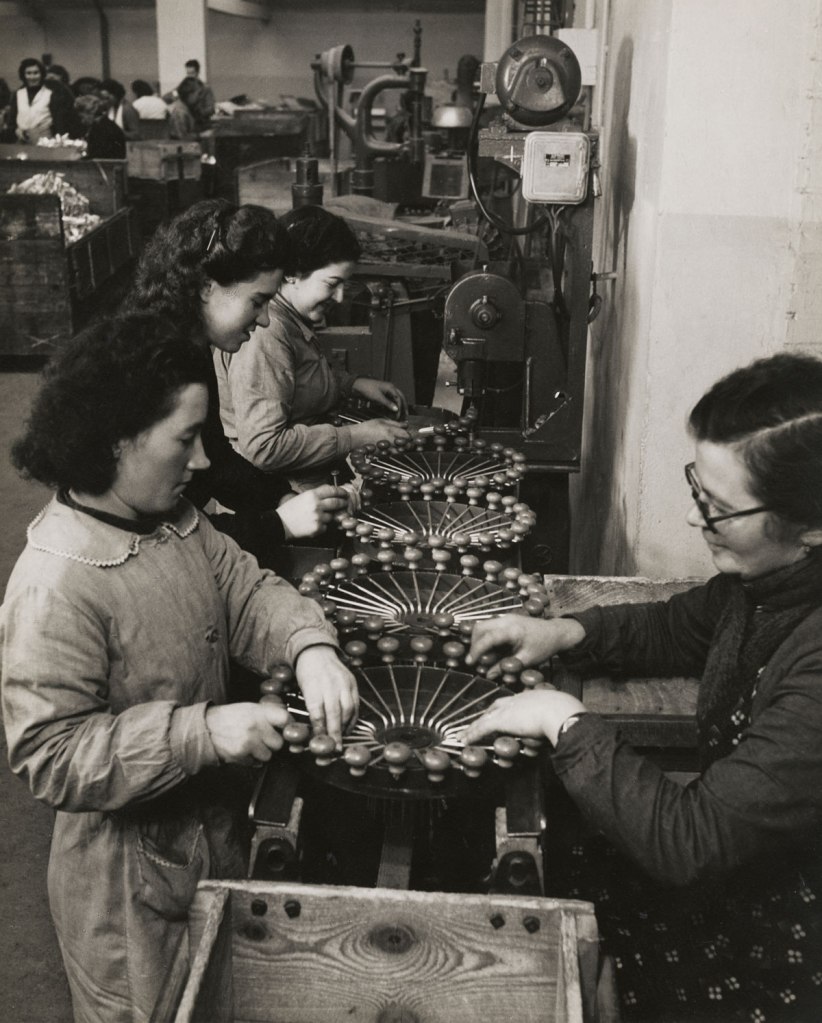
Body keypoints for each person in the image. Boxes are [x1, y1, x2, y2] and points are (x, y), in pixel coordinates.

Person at [0, 313, 358, 1023]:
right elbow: (50, 754)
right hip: (125, 892)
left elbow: (248, 589)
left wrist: (307, 645)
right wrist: (201, 731)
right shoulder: (59, 581)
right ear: (115, 441)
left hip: (205, 840)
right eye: (185, 438)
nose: (200, 461)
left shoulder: (174, 519)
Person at [463, 351, 822, 1021]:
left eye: (718, 509)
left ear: (812, 524)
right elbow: (685, 624)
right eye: (698, 492)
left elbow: (695, 841)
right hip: (746, 875)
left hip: (790, 944)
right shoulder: (771, 585)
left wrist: (565, 720)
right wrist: (566, 632)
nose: (695, 521)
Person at [124, 199, 350, 571]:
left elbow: (213, 458)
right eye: (257, 302)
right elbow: (157, 537)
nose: (263, 321)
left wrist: (279, 497)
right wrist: (277, 524)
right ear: (207, 287)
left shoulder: (191, 348)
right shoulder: (155, 374)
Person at [214, 204, 409, 492]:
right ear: (292, 273)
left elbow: (298, 378)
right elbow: (265, 448)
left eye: (344, 285)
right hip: (279, 496)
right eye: (332, 284)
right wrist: (354, 437)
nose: (340, 297)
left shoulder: (292, 318)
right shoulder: (268, 333)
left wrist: (353, 384)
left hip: (309, 479)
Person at [7, 58, 55, 142]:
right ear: (23, 75)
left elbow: (57, 121)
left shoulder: (50, 94)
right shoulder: (18, 94)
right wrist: (16, 130)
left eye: (36, 73)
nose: (32, 77)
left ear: (41, 74)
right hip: (21, 139)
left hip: (45, 139)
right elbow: (12, 121)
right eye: (28, 73)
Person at [75, 94, 125, 160]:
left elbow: (97, 155)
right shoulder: (107, 124)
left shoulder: (100, 129)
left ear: (91, 112)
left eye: (82, 117)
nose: (82, 121)